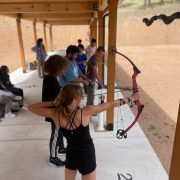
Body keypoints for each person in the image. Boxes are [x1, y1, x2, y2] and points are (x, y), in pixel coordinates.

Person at [28, 84, 138, 180]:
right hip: (86, 154)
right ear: (74, 101)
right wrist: (131, 98)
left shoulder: (55, 113)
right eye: (80, 97)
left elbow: (31, 107)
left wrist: (53, 102)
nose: (82, 99)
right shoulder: (85, 111)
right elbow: (110, 104)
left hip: (71, 153)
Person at [42, 55, 68, 167]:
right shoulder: (51, 80)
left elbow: (57, 94)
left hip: (56, 111)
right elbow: (56, 100)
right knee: (56, 134)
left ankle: (61, 148)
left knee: (60, 131)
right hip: (54, 112)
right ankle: (53, 157)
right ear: (57, 68)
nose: (63, 71)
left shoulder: (51, 78)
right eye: (62, 68)